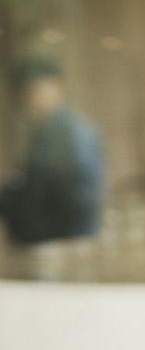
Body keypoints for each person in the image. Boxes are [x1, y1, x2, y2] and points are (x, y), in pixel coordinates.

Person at [0, 57, 105, 245]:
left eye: (37, 89)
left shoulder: (72, 132)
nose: (31, 98)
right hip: (50, 239)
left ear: (57, 87)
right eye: (25, 92)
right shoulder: (45, 131)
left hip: (64, 240)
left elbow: (75, 199)